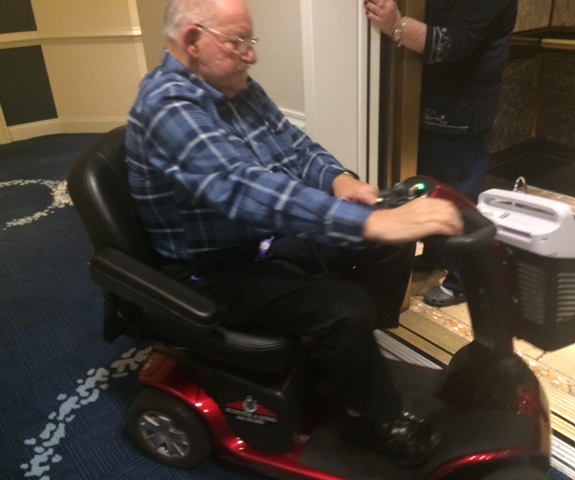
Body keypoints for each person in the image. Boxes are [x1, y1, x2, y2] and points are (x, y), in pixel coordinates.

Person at [126, 0, 462, 467]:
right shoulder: (168, 107)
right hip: (209, 270)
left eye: (250, 41)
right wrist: (368, 221)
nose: (251, 55)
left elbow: (295, 146)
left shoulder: (234, 87)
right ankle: (370, 418)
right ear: (192, 41)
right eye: (237, 43)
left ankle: (348, 361)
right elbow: (241, 186)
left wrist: (338, 179)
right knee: (343, 307)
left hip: (260, 243)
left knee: (388, 245)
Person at [364, 0, 518, 307]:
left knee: (460, 198)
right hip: (431, 103)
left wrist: (396, 25)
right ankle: (438, 256)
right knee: (430, 190)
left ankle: (465, 279)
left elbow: (455, 43)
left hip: (463, 110)